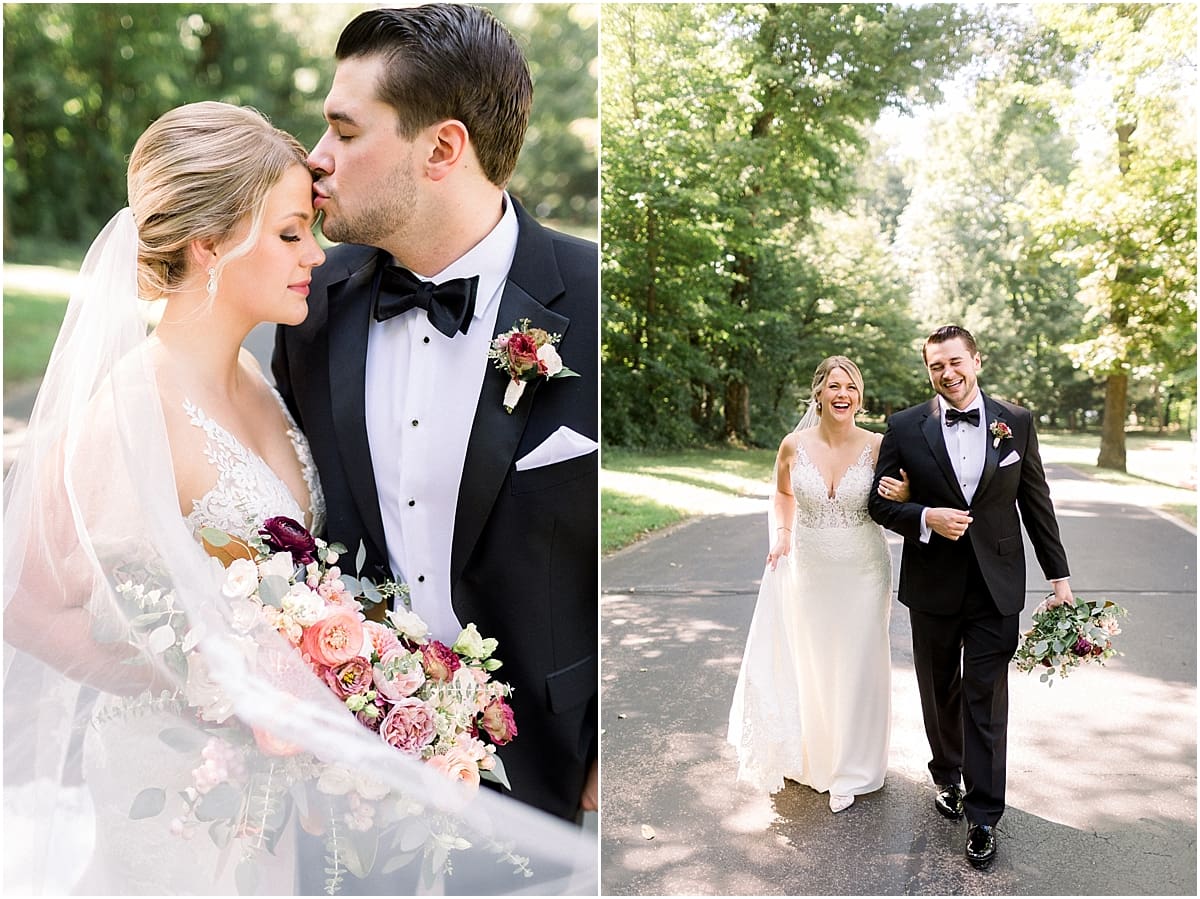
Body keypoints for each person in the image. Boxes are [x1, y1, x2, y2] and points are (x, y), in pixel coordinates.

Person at [3, 101, 594, 895]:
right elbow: (25, 603)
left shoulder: (261, 377)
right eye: (289, 233)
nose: (317, 255)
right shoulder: (129, 408)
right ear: (208, 246)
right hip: (174, 792)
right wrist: (216, 684)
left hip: (277, 802)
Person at [273, 3, 598, 829]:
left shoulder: (594, 298)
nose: (316, 161)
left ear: (443, 149)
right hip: (348, 778)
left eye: (344, 132)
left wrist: (604, 735)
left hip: (543, 776)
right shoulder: (308, 311)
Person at [868, 324, 1072, 870]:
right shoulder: (905, 426)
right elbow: (879, 504)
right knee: (940, 693)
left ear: (976, 360)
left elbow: (1036, 502)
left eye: (956, 362)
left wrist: (1060, 579)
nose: (948, 374)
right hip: (932, 584)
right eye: (936, 366)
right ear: (929, 370)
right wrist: (926, 517)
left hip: (996, 584)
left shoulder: (1017, 423)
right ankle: (948, 777)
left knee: (986, 699)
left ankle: (984, 816)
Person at [728, 356, 907, 813]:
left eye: (850, 386)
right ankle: (816, 754)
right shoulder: (793, 444)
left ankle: (851, 768)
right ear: (819, 394)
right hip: (810, 567)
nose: (842, 394)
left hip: (865, 569)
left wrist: (906, 496)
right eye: (834, 386)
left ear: (859, 397)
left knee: (858, 662)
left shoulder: (878, 446)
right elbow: (782, 493)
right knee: (815, 660)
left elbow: (900, 498)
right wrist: (782, 535)